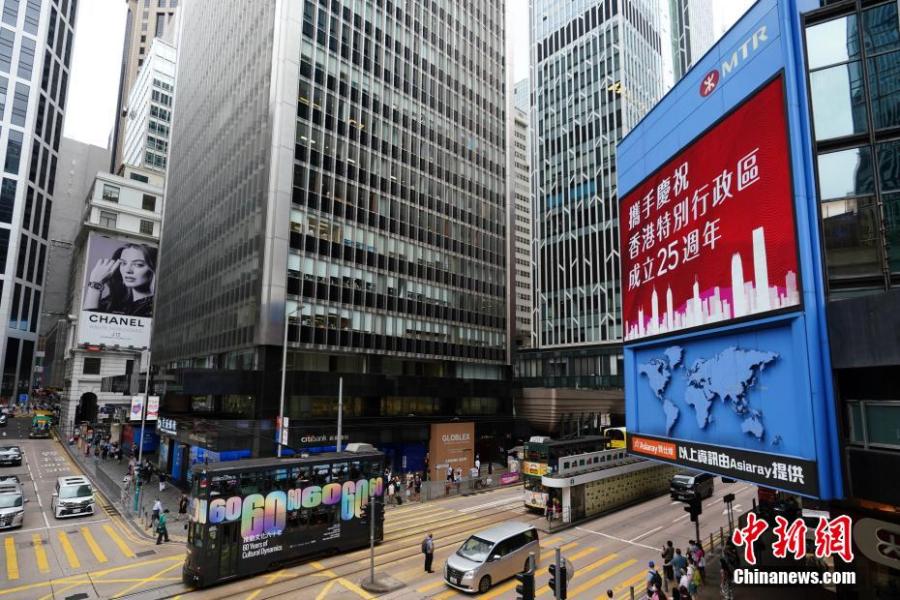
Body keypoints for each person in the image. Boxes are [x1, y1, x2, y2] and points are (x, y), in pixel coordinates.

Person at [83, 242, 157, 317]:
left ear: (154, 268)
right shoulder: (111, 302)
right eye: (123, 263)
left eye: (138, 264)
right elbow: (86, 321)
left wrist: (95, 286)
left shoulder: (155, 308)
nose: (128, 270)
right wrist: (95, 285)